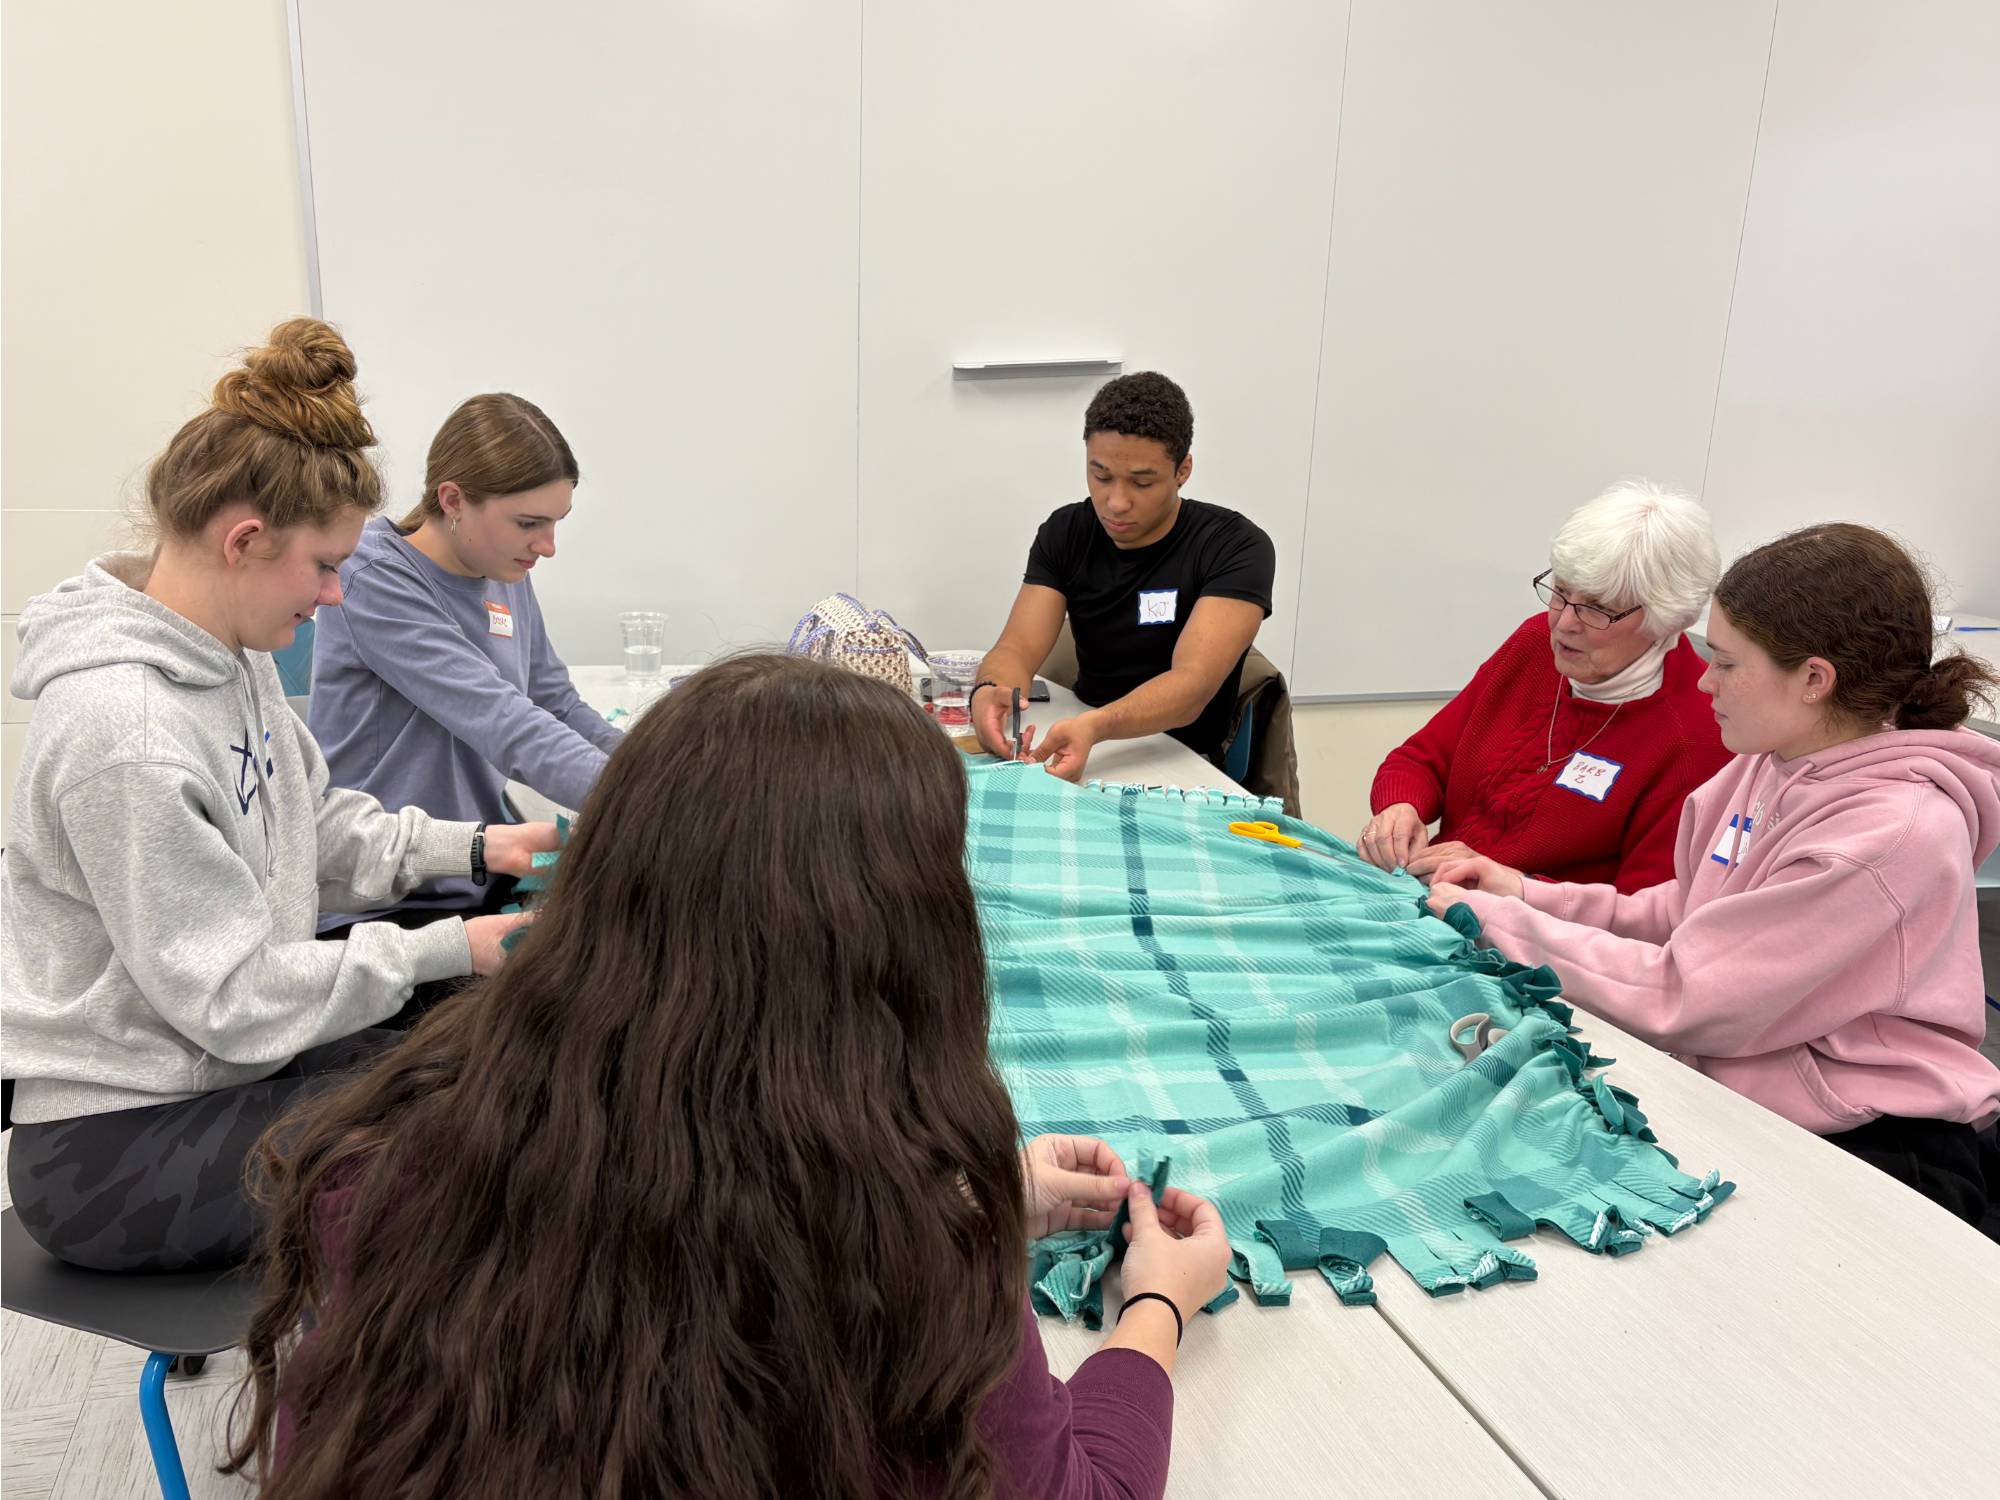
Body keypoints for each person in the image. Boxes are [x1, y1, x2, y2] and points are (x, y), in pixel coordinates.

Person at [225, 655, 1231, 1499]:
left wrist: (982, 1203)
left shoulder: (390, 1164)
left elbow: (659, 1235)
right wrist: (1154, 1306)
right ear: (906, 946)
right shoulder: (912, 1272)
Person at [0, 321, 554, 1273]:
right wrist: (450, 943)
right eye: (327, 565)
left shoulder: (230, 657)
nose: (337, 596)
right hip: (115, 1152)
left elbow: (313, 823)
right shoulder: (124, 735)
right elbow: (233, 998)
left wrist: (480, 850)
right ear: (246, 540)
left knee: (492, 1059)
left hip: (217, 1078)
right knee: (486, 1146)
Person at [1427, 524, 2000, 1230]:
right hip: (1758, 1093)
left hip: (1875, 1145)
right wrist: (1522, 892)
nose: (1703, 681)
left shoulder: (1889, 834)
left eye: (1726, 663)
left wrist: (1501, 927)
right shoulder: (1771, 760)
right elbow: (1694, 911)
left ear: (1815, 680)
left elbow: (1690, 992)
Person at [309, 393, 619, 929]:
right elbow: (504, 721)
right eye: (528, 523)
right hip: (387, 903)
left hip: (476, 871)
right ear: (452, 500)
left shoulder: (504, 571)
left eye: (556, 522)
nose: (547, 546)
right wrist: (653, 797)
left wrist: (661, 763)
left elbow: (556, 705)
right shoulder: (373, 578)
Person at [1360, 480, 1730, 893]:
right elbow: (1420, 759)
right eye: (1561, 592)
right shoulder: (1535, 644)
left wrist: (1513, 884)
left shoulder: (1697, 737)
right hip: (1432, 897)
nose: (1564, 623)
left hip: (1529, 944)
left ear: (1667, 619)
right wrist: (1401, 807)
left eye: (1597, 608)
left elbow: (1643, 915)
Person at [970, 371, 1276, 782]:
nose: (1115, 502)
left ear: (1183, 469)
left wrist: (1097, 727)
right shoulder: (1066, 533)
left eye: (1141, 482)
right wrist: (989, 692)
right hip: (1085, 735)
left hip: (1183, 758)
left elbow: (1191, 686)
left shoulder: (1235, 547)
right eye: (1101, 476)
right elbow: (1016, 649)